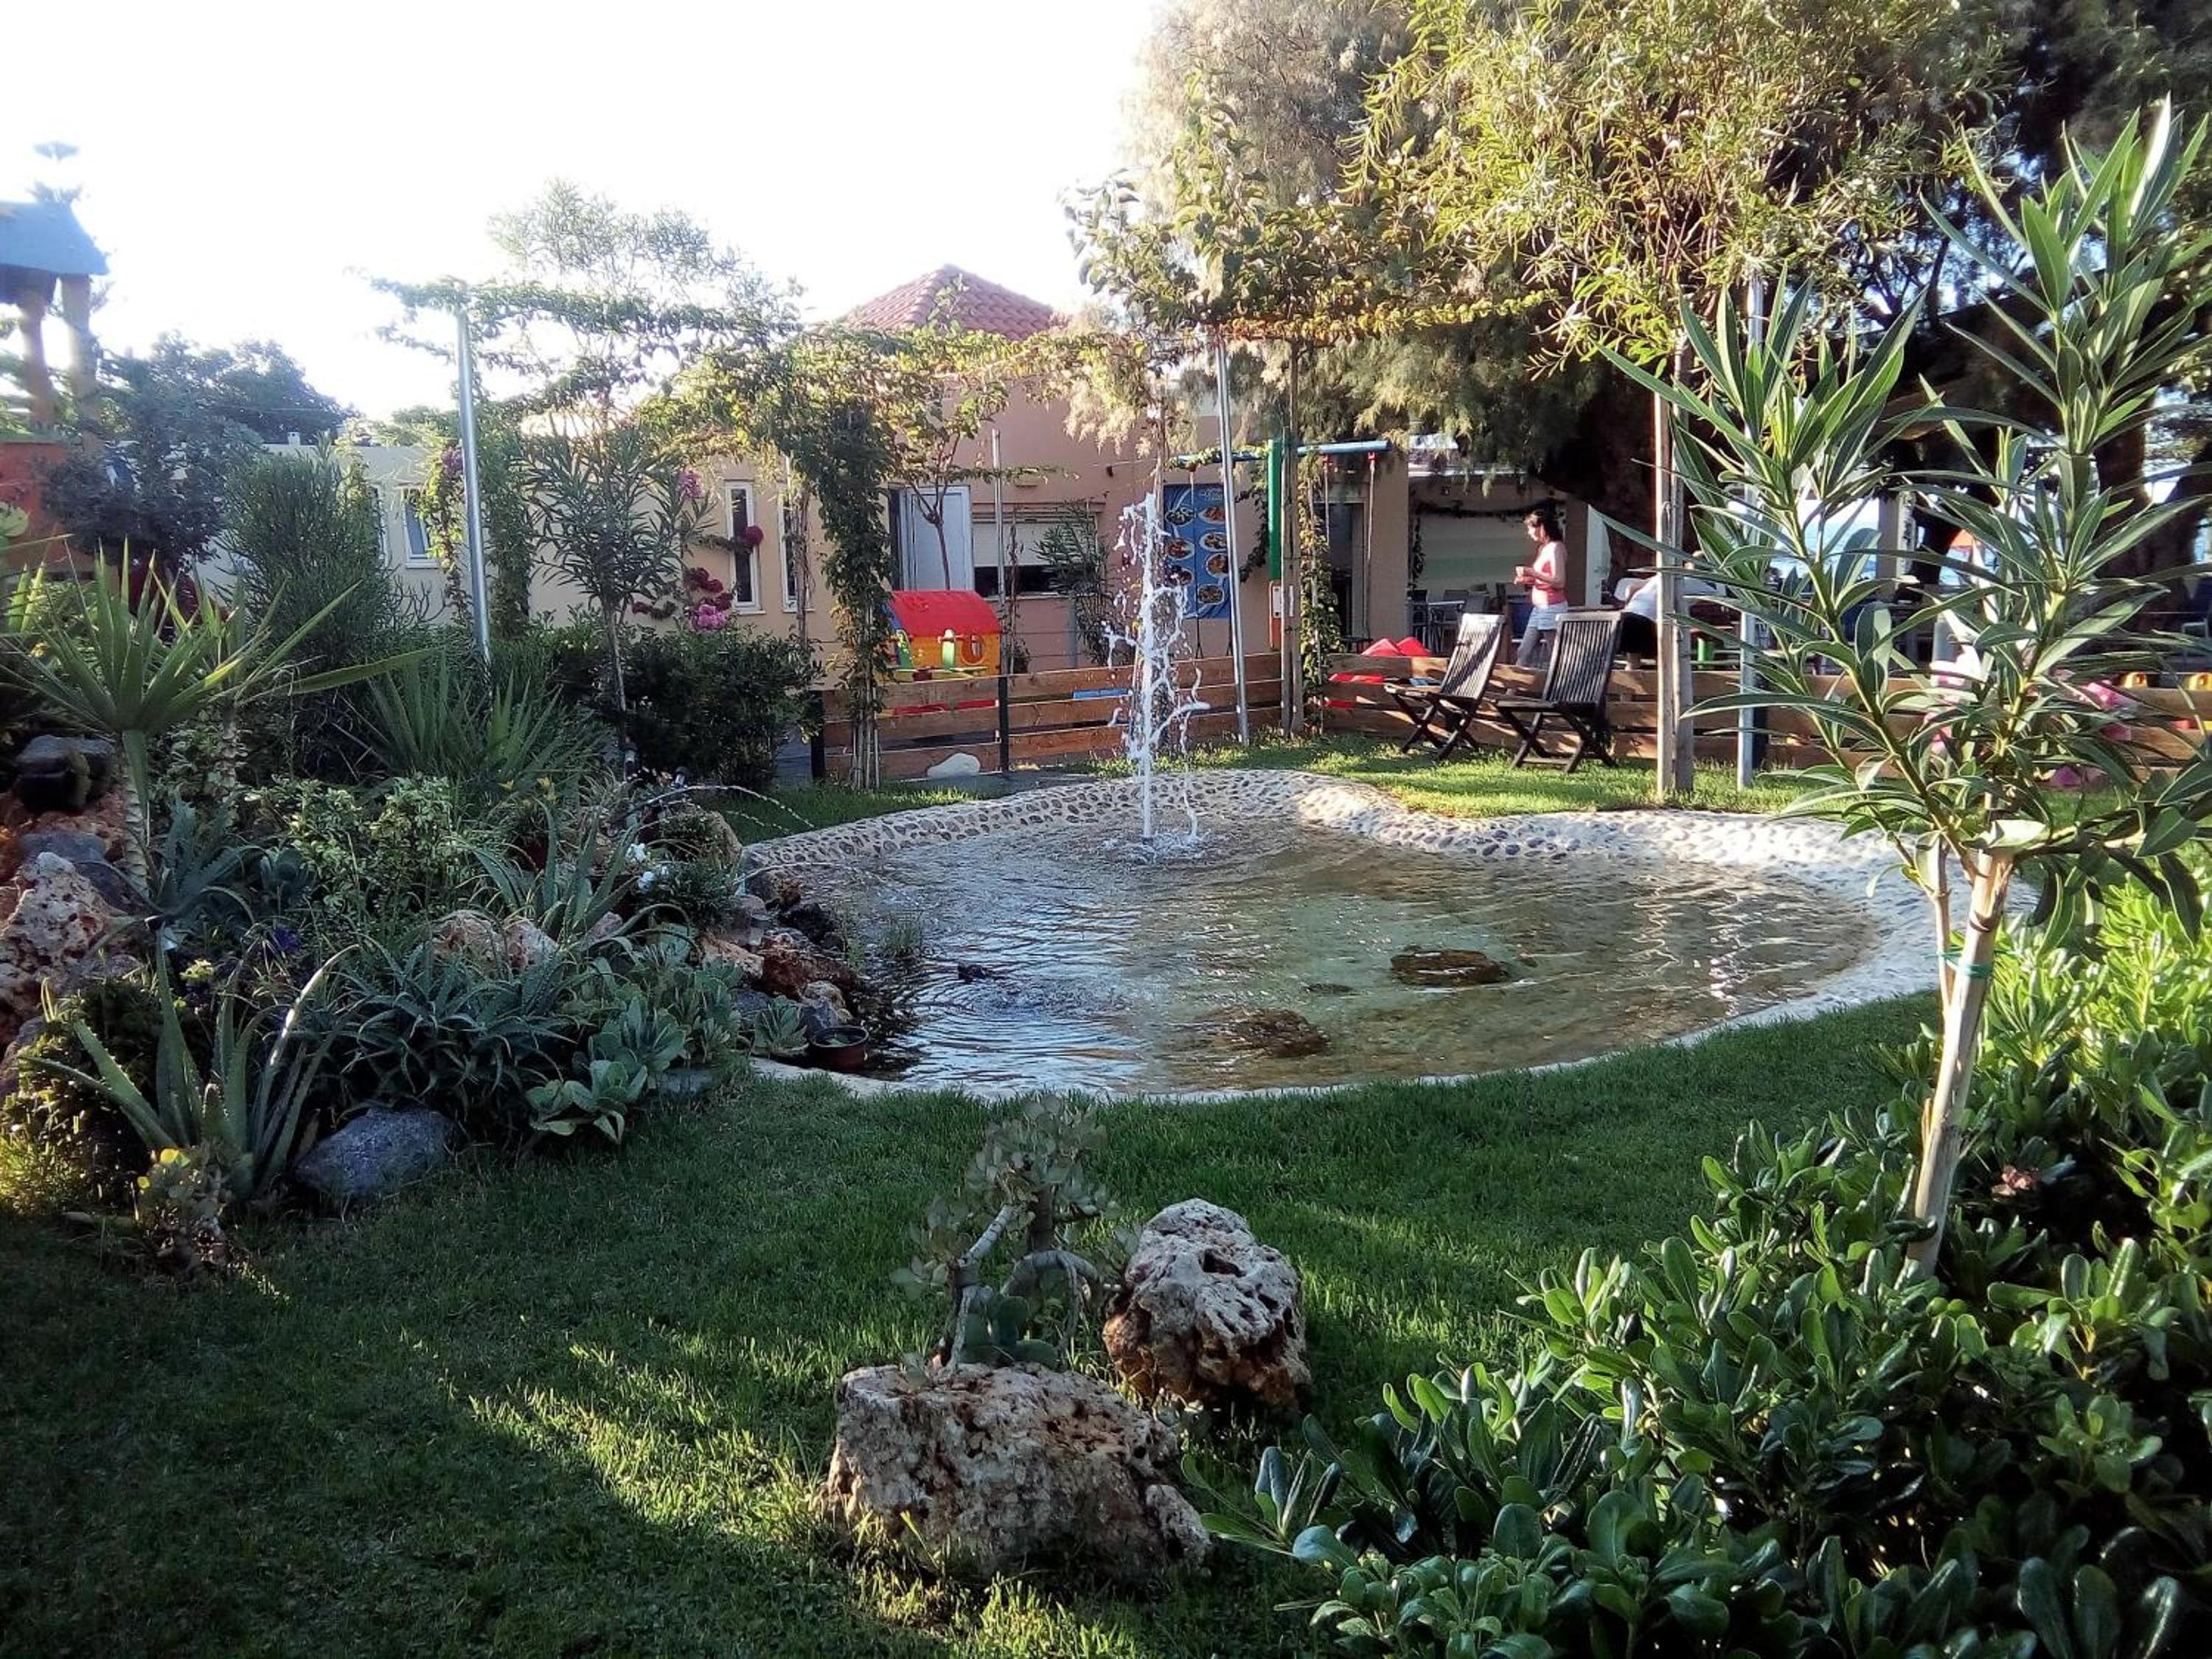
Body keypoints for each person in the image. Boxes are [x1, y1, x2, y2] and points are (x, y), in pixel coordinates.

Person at [1616, 564, 1719, 656]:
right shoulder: (1706, 589)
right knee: (1663, 659)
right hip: (1648, 622)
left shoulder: (1666, 575)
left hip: (1627, 615)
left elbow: (1631, 587)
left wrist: (1627, 606)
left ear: (1688, 566)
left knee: (1633, 662)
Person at [1512, 505, 1569, 664]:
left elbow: (1559, 581)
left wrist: (1532, 572)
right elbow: (1545, 579)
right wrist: (1528, 580)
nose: (1529, 533)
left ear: (1542, 528)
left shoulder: (1556, 548)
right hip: (1539, 609)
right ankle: (1517, 680)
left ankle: (1561, 679)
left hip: (1552, 607)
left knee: (1554, 653)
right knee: (1523, 651)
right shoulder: (1543, 548)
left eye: (1530, 528)